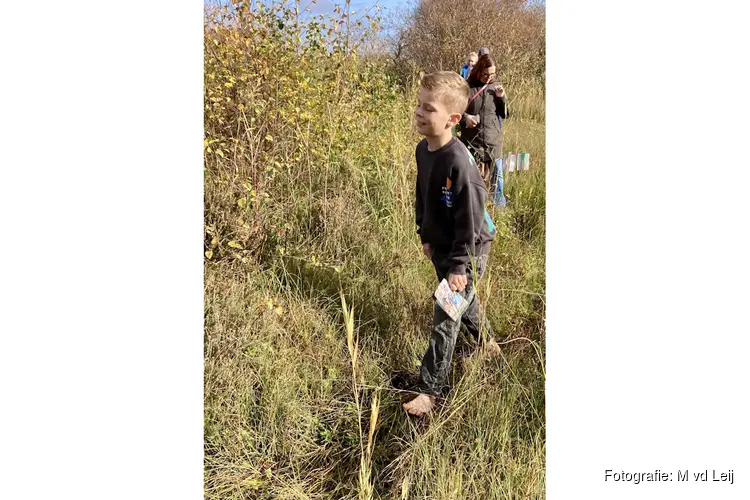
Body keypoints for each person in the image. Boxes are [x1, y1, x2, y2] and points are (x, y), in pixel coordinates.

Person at [404, 71, 501, 417]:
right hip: (443, 243)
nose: (419, 112)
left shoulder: (460, 163)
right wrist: (424, 234)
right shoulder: (423, 150)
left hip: (470, 248)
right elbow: (422, 196)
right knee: (463, 304)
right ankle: (487, 344)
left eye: (428, 108)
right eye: (419, 104)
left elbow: (471, 220)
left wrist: (460, 266)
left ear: (453, 119)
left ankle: (430, 391)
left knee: (446, 315)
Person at [458, 54, 507, 183]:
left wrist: (501, 98)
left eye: (492, 74)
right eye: (486, 74)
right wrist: (465, 119)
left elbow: (505, 114)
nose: (489, 78)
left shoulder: (495, 86)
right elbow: (456, 112)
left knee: (497, 180)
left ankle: (498, 203)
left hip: (493, 141)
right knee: (472, 181)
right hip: (471, 143)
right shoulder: (467, 87)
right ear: (478, 70)